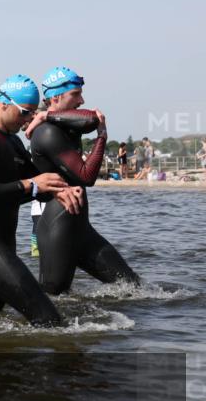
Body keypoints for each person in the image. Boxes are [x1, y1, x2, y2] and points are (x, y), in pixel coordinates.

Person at [0, 75, 83, 327]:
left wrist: (59, 190)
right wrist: (32, 185)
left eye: (33, 113)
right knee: (50, 320)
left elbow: (36, 182)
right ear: (3, 103)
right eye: (25, 112)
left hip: (3, 243)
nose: (28, 120)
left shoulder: (12, 141)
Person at [26, 67, 139, 295]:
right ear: (56, 97)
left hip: (80, 228)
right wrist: (102, 136)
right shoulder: (46, 132)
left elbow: (90, 119)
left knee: (133, 288)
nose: (82, 100)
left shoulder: (62, 123)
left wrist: (46, 113)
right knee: (54, 299)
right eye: (75, 94)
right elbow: (86, 176)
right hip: (57, 226)